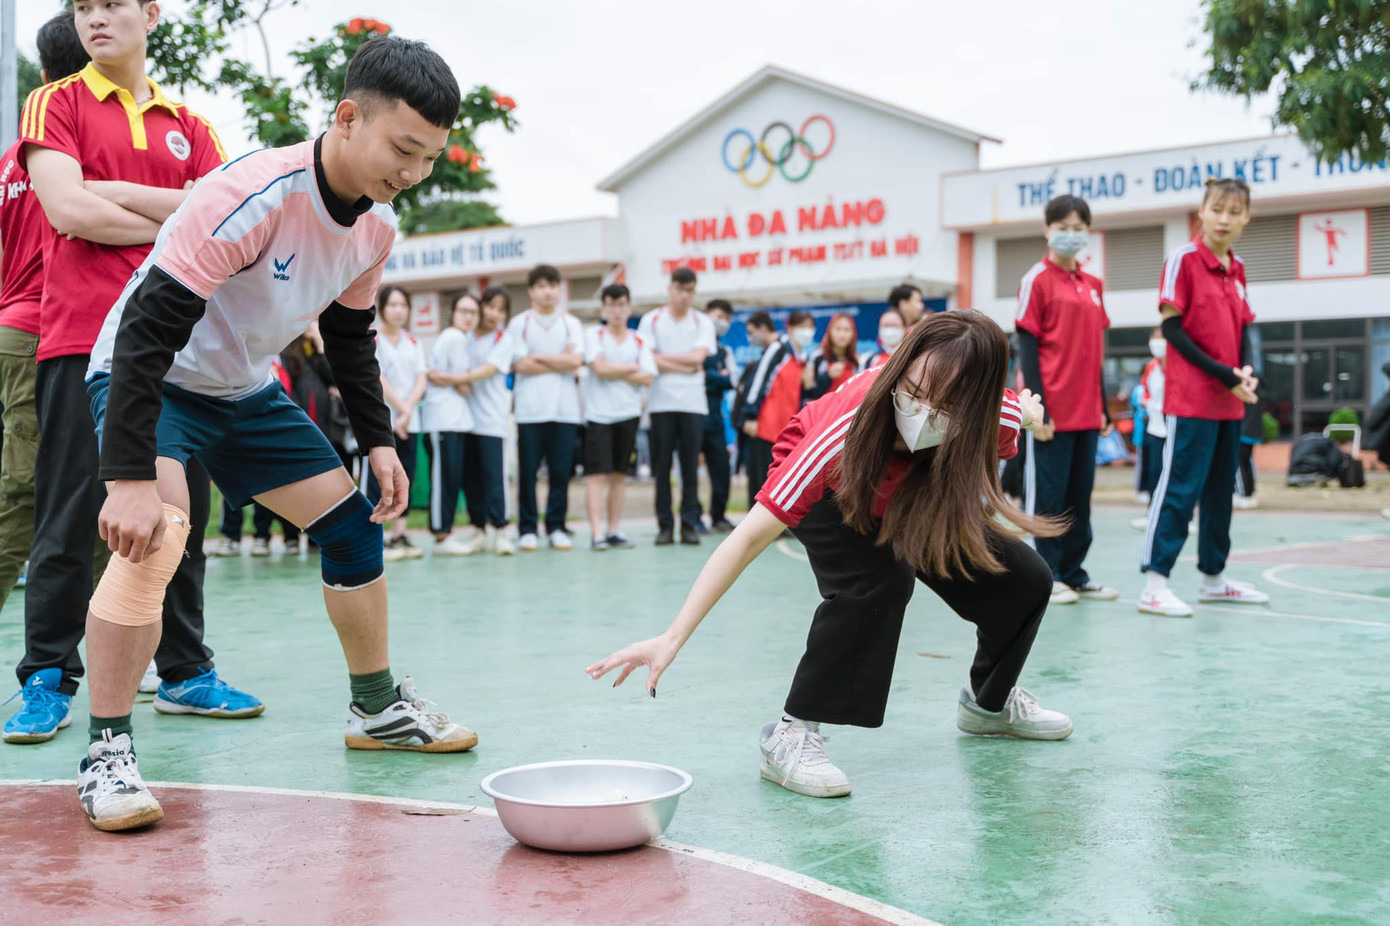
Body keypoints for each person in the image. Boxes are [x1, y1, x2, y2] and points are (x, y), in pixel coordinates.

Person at [76, 34, 478, 832]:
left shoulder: (376, 229)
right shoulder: (254, 194)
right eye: (404, 148)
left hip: (244, 391)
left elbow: (351, 337)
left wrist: (382, 443)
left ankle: (376, 711)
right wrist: (127, 478)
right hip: (155, 379)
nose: (413, 172)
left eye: (430, 158)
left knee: (353, 531)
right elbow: (150, 331)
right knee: (156, 539)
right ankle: (107, 753)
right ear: (347, 116)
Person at [587, 311, 1069, 799]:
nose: (922, 411)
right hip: (834, 490)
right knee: (878, 580)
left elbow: (1019, 412)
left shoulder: (991, 416)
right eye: (915, 389)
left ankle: (988, 706)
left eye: (944, 405)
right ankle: (789, 735)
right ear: (901, 365)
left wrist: (1029, 413)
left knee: (1026, 578)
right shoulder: (838, 432)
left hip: (908, 493)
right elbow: (748, 538)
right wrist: (672, 636)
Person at [6, 2, 261, 747]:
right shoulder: (56, 100)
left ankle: (185, 673)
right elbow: (66, 209)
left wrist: (113, 196)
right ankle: (47, 679)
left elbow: (235, 224)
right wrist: (180, 220)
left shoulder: (195, 124)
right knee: (65, 518)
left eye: (112, 3)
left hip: (177, 353)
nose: (95, 18)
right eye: (83, 7)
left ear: (150, 13)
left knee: (178, 519)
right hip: (79, 341)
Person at [1139, 178, 1270, 618]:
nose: (1225, 219)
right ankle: (1155, 583)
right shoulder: (1183, 259)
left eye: (1235, 212)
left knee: (1220, 494)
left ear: (1246, 218)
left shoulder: (1238, 267)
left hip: (1229, 402)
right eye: (1217, 209)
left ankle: (1214, 579)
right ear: (1202, 211)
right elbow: (1173, 329)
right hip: (1191, 400)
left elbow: (1245, 328)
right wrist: (1224, 374)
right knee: (1179, 489)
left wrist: (1245, 373)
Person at [0, 14, 90, 615]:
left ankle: (124, 649)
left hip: (14, 329)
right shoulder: (74, 149)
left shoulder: (12, 159)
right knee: (29, 493)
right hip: (49, 331)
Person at [1015, 195, 1118, 605]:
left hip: (1088, 413)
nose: (1071, 234)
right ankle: (1046, 574)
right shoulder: (1035, 280)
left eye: (1079, 227)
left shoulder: (1093, 285)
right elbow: (1026, 345)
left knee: (1080, 499)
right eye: (1063, 226)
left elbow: (1094, 351)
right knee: (1048, 499)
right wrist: (1038, 412)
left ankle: (1075, 573)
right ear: (1047, 229)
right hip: (1051, 412)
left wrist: (1105, 407)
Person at [638, 267, 717, 546]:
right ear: (670, 289)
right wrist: (685, 365)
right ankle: (664, 525)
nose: (684, 296)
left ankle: (689, 523)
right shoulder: (652, 320)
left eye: (690, 290)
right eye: (680, 289)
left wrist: (664, 360)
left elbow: (699, 357)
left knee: (689, 468)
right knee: (662, 468)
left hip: (693, 405)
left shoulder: (702, 322)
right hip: (661, 405)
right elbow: (648, 358)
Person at [508, 264, 584, 551]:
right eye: (541, 286)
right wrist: (557, 359)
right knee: (527, 473)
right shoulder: (520, 323)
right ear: (531, 291)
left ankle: (556, 526)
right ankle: (527, 528)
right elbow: (519, 364)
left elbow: (576, 361)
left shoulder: (570, 323)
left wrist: (537, 357)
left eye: (553, 285)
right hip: (530, 411)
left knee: (560, 472)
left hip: (565, 411)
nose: (548, 291)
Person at [584, 284, 655, 550]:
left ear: (629, 307)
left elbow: (647, 376)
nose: (616, 310)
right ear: (604, 308)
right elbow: (599, 368)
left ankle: (614, 530)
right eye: (611, 305)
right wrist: (629, 368)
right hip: (599, 416)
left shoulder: (639, 339)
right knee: (596, 475)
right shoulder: (594, 335)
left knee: (619, 474)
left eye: (621, 304)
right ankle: (596, 533)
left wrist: (616, 370)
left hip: (629, 413)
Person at [368, 285, 425, 560]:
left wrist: (407, 412)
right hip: (383, 424)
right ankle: (374, 537)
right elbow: (378, 378)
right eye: (393, 305)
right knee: (378, 479)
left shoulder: (414, 342)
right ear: (382, 308)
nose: (399, 310)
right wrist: (402, 410)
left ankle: (399, 534)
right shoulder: (374, 340)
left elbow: (420, 379)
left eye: (404, 305)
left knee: (407, 477)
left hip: (409, 423)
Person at [459, 285, 515, 555]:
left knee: (495, 477)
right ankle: (479, 529)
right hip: (465, 420)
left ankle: (502, 530)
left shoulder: (503, 339)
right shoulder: (465, 336)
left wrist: (455, 378)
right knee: (471, 478)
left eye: (501, 309)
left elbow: (488, 370)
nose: (494, 313)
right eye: (491, 306)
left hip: (492, 420)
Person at [422, 292, 479, 554]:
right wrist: (460, 380)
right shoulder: (454, 337)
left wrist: (455, 379)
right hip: (442, 420)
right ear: (453, 314)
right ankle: (441, 535)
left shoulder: (461, 339)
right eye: (463, 311)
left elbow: (459, 381)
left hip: (454, 420)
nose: (469, 317)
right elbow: (464, 385)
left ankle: (446, 532)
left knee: (452, 478)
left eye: (473, 312)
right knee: (444, 479)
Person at [739, 311, 795, 503]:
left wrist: (750, 415)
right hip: (767, 424)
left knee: (766, 475)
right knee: (761, 475)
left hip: (768, 423)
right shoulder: (783, 348)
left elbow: (758, 381)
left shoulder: (778, 348)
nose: (750, 337)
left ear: (763, 328)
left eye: (751, 331)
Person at [700, 299, 738, 532]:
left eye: (726, 318)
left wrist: (710, 376)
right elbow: (697, 375)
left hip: (714, 418)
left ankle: (718, 516)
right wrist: (717, 377)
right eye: (717, 316)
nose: (721, 322)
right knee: (688, 472)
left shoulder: (725, 351)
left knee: (722, 469)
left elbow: (732, 380)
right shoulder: (694, 345)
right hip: (692, 414)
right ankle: (693, 518)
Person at [1130, 328, 1168, 530]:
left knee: (1175, 474)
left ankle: (1182, 518)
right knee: (1155, 472)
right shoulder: (1151, 367)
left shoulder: (1178, 366)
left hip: (1173, 428)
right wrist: (1146, 403)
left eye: (1161, 338)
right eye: (1154, 339)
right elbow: (1142, 392)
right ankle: (1152, 514)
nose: (1157, 343)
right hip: (1154, 428)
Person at [802, 312, 859, 402]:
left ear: (853, 333)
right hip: (822, 413)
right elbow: (807, 392)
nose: (842, 334)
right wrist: (828, 376)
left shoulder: (857, 362)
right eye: (838, 329)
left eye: (847, 330)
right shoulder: (817, 357)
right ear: (830, 331)